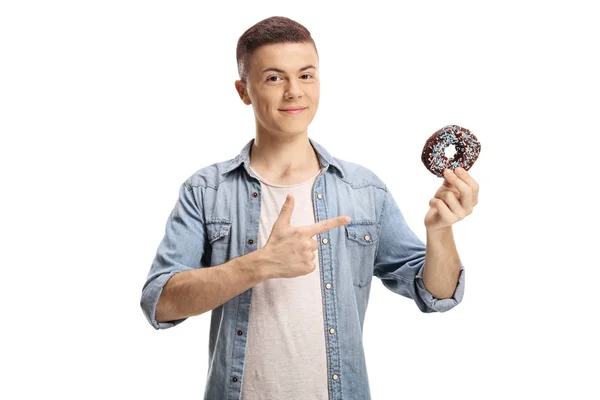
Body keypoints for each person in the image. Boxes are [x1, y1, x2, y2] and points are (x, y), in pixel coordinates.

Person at [140, 16, 479, 400]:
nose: (293, 92)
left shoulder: (363, 190)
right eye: (274, 78)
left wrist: (440, 232)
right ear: (243, 90)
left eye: (306, 76)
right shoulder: (205, 191)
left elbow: (435, 293)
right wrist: (260, 263)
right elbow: (159, 302)